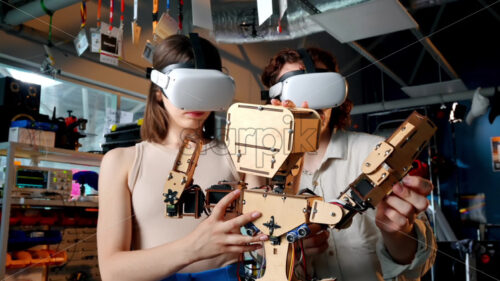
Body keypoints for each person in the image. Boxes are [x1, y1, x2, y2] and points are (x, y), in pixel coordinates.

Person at [97, 34, 268, 281]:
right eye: (185, 88)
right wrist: (194, 247)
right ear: (158, 92)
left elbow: (264, 242)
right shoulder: (121, 161)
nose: (196, 99)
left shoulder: (242, 158)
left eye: (206, 89)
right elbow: (112, 272)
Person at [258, 48, 437, 281]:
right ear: (276, 101)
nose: (309, 101)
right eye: (298, 88)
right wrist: (284, 250)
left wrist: (399, 234)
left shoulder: (378, 153)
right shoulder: (261, 170)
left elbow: (420, 264)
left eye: (321, 87)